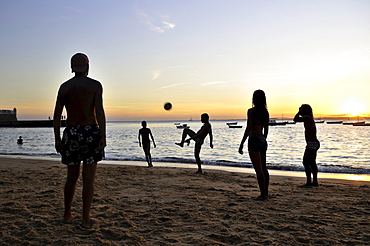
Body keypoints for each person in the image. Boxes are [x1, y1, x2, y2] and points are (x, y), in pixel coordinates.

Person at [53, 53, 106, 227]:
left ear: (72, 68)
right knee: (88, 179)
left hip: (71, 132)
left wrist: (57, 138)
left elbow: (56, 115)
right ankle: (85, 218)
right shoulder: (95, 86)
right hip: (90, 131)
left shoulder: (64, 87)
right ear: (87, 67)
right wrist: (103, 136)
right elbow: (99, 112)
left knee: (71, 177)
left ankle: (67, 215)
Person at [239, 90, 269, 200]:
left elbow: (249, 128)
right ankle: (266, 191)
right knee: (264, 169)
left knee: (259, 170)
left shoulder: (251, 111)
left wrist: (242, 143)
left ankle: (263, 194)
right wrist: (264, 139)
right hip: (262, 140)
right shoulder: (265, 112)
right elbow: (266, 129)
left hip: (254, 140)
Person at [294, 104, 320, 187]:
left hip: (312, 143)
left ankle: (309, 182)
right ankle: (315, 182)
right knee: (312, 162)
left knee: (306, 161)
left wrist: (298, 112)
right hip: (313, 143)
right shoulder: (309, 118)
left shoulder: (307, 118)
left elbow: (295, 119)